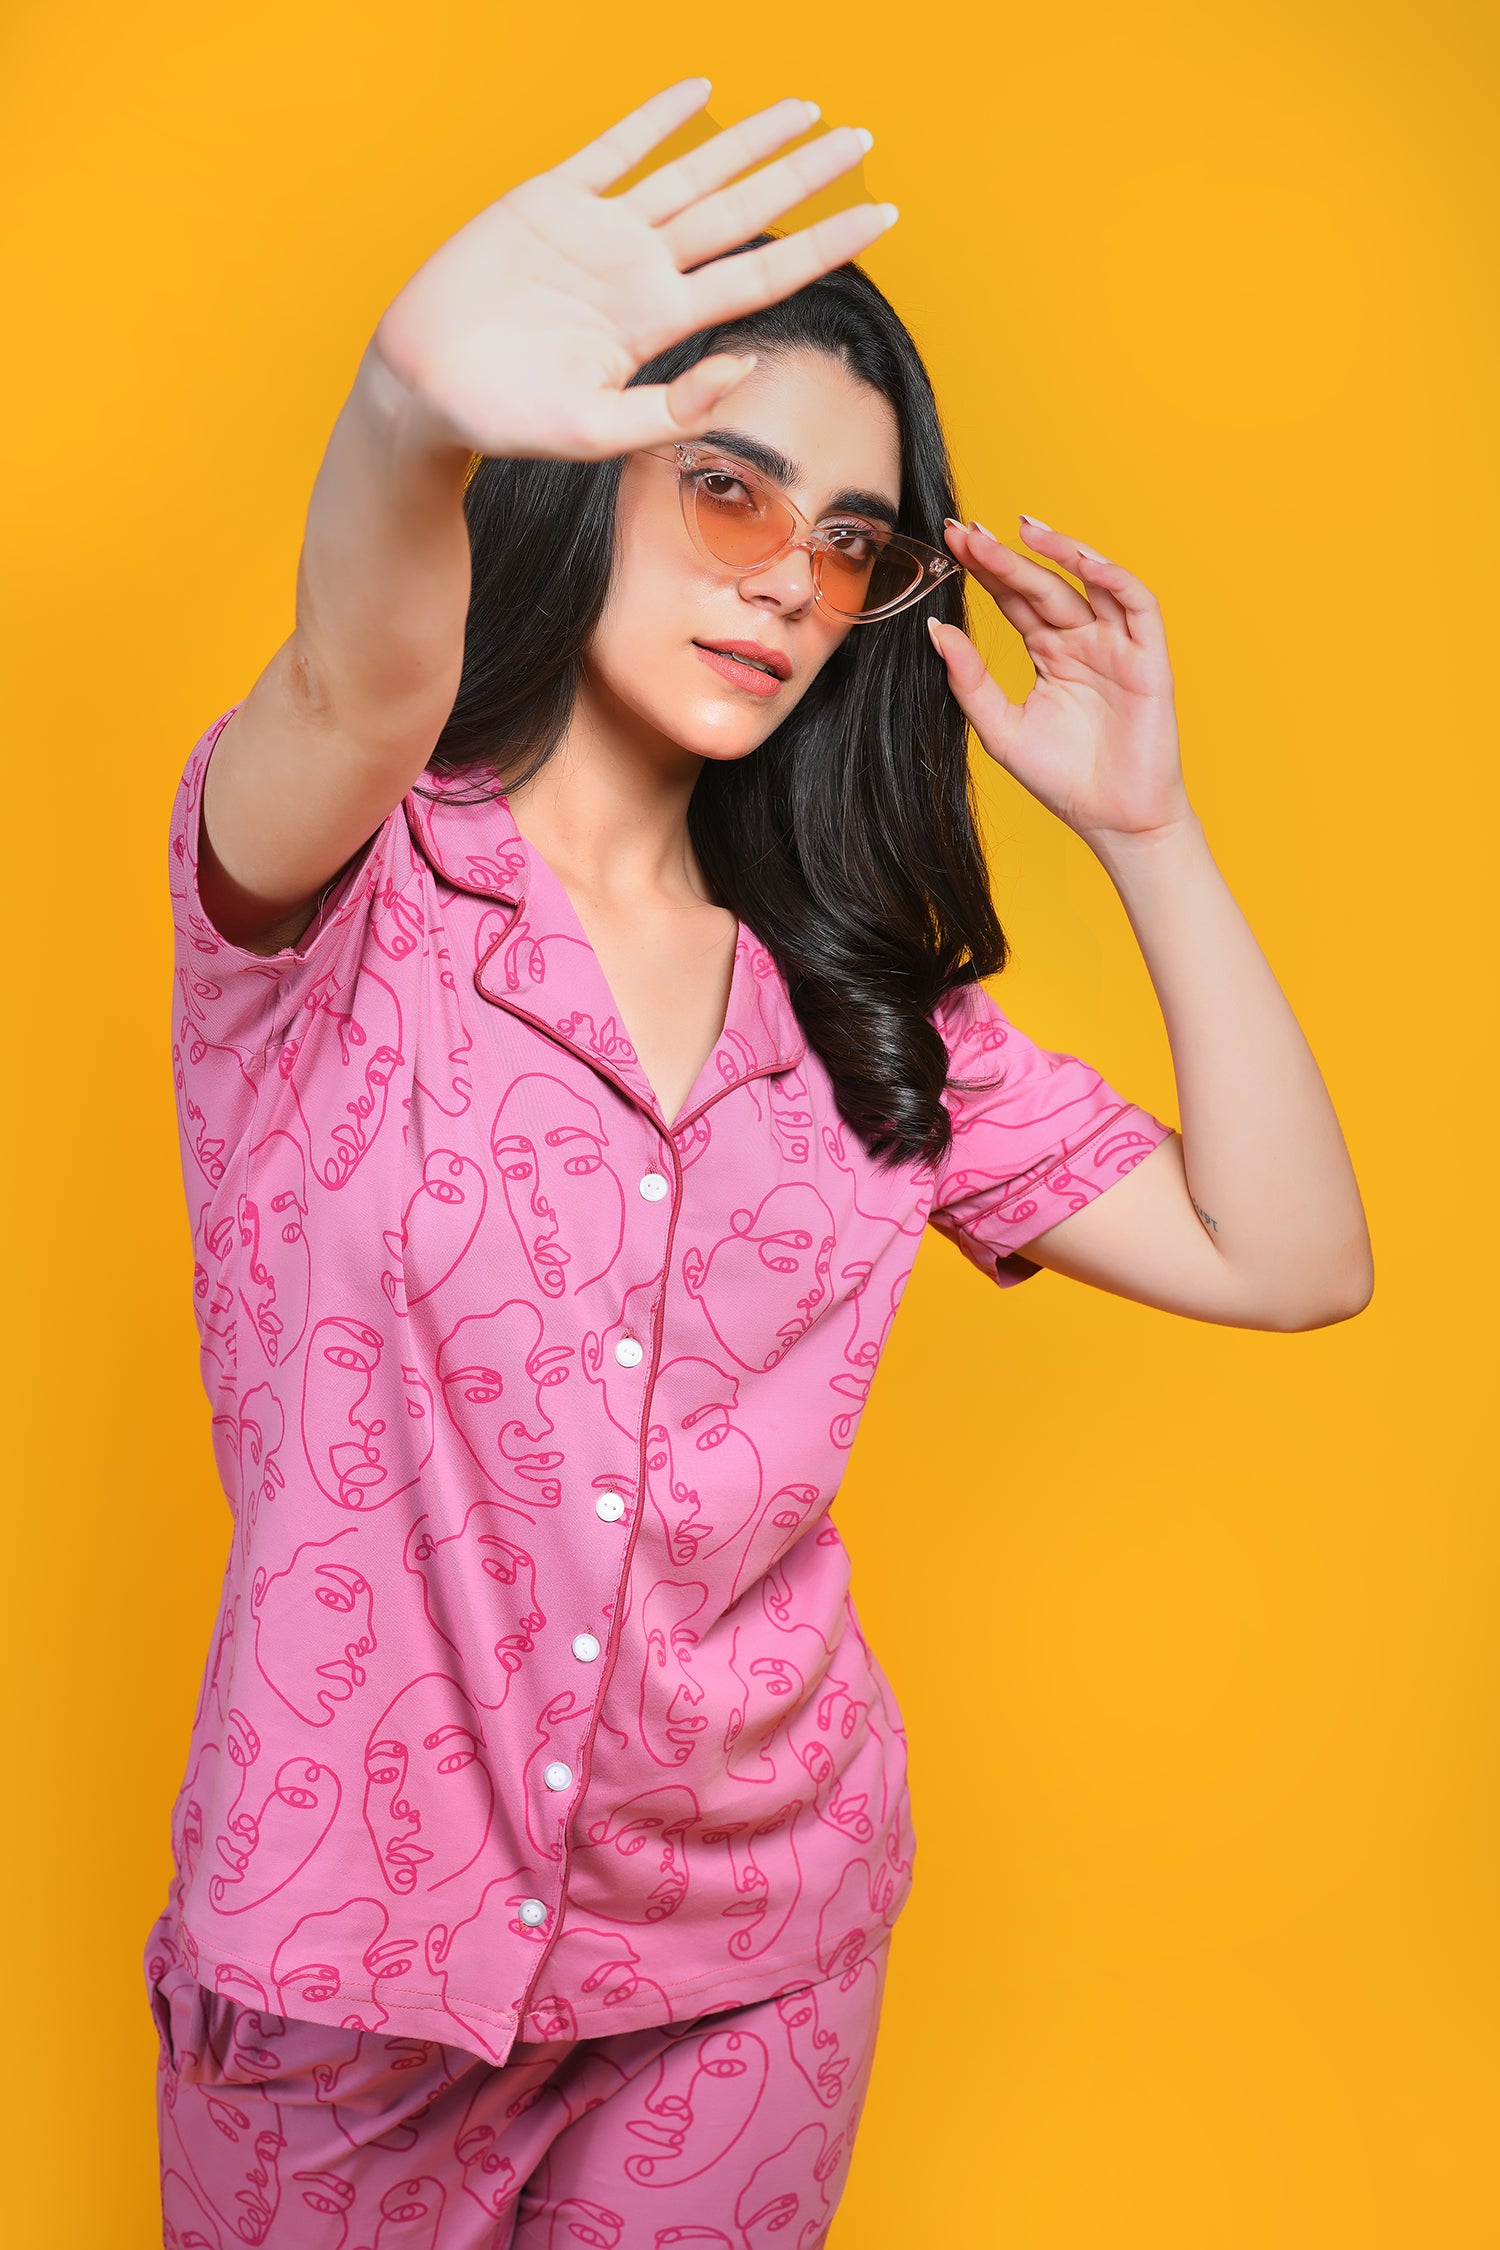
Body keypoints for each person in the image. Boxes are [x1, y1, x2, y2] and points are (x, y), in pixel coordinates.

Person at [144, 76, 1373, 2247]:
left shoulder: (863, 1015)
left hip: (757, 1959)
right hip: (352, 1969)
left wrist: (1151, 835)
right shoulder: (340, 888)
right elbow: (366, 665)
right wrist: (400, 414)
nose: (789, 582)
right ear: (581, 477)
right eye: (725, 492)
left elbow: (1286, 1258)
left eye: (848, 541)